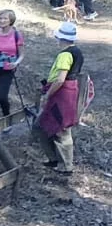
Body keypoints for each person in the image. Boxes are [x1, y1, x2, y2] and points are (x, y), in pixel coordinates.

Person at [37, 22, 84, 174]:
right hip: (67, 93)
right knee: (44, 126)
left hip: (61, 94)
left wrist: (47, 94)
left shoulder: (65, 55)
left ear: (61, 38)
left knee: (61, 129)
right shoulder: (77, 52)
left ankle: (66, 166)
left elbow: (60, 79)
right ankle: (54, 160)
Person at [0, 9, 24, 126]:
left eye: (5, 18)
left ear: (11, 20)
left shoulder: (16, 35)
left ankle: (7, 118)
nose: (2, 21)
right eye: (0, 18)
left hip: (7, 69)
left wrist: (16, 63)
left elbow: (21, 54)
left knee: (2, 97)